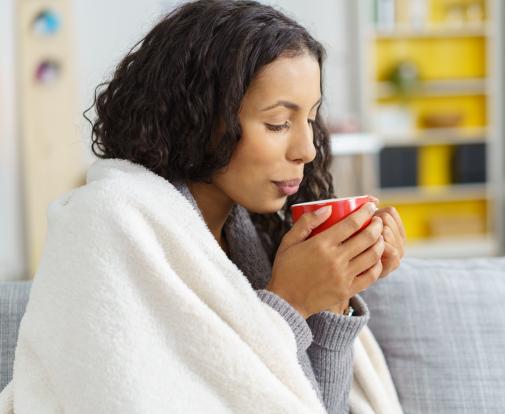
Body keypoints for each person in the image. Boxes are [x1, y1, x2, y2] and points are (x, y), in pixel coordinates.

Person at [1, 1, 406, 412]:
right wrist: (291, 303)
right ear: (199, 116)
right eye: (278, 123)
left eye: (312, 120)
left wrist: (335, 298)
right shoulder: (109, 221)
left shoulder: (251, 236)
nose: (306, 149)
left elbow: (312, 405)